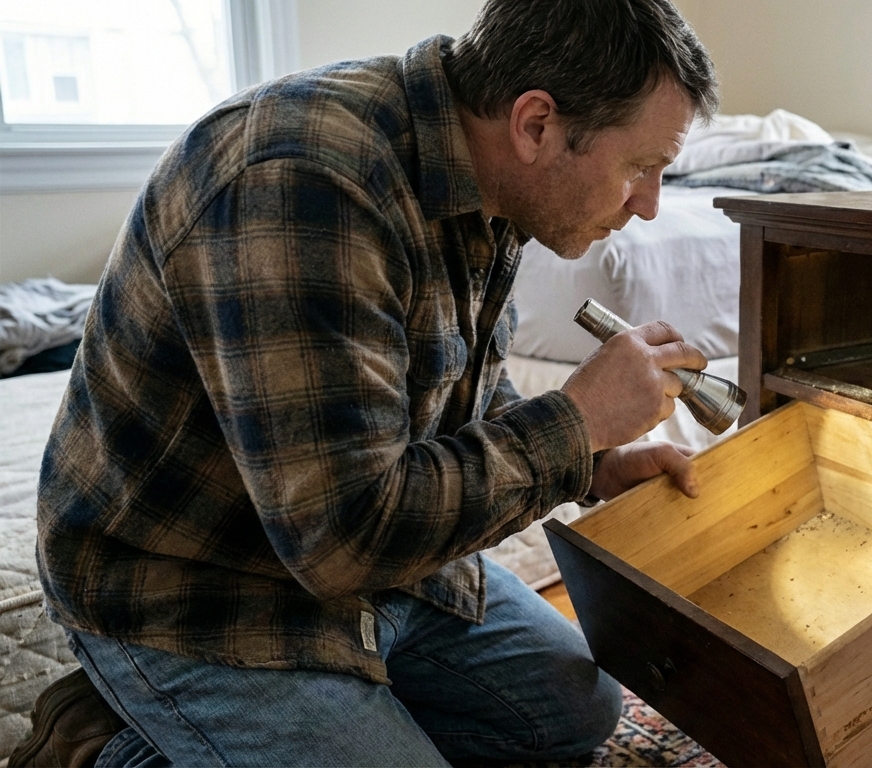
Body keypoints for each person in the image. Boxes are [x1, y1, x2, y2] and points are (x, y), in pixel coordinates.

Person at [15, 0, 718, 765]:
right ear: (537, 124)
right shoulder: (302, 180)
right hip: (197, 582)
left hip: (359, 550)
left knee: (574, 710)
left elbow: (449, 389)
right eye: (640, 168)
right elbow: (342, 537)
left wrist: (591, 462)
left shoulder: (489, 183)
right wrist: (574, 422)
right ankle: (112, 742)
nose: (649, 203)